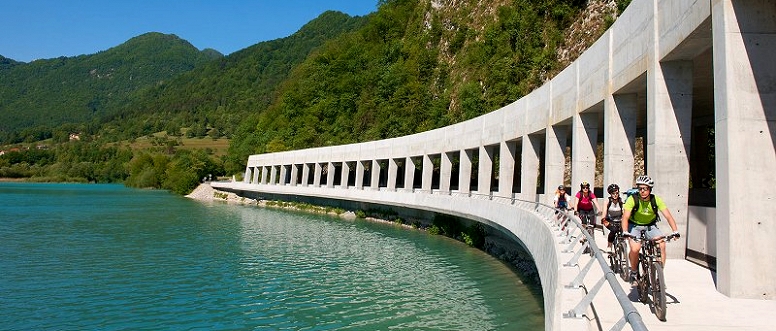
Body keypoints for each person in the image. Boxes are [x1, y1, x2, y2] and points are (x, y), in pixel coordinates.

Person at [621, 175, 680, 282]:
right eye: (640, 189)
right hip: (634, 226)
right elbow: (625, 217)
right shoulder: (632, 199)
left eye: (645, 188)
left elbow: (668, 216)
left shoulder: (656, 200)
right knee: (635, 248)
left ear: (650, 189)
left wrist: (675, 231)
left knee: (661, 244)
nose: (642, 191)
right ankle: (634, 272)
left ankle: (659, 274)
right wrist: (625, 231)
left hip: (650, 226)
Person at [602, 183, 623, 251]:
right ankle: (609, 246)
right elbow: (604, 211)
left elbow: (624, 211)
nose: (615, 195)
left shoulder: (620, 200)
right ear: (610, 194)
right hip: (610, 220)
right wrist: (603, 219)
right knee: (613, 230)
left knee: (625, 232)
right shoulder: (608, 201)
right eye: (613, 193)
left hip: (619, 220)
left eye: (616, 193)